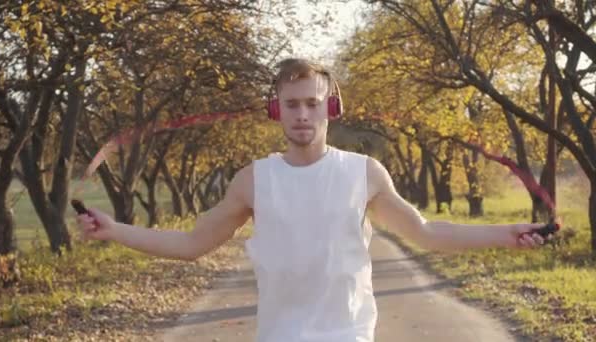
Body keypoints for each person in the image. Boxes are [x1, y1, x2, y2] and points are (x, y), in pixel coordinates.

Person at [76, 58, 549, 342]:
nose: (303, 114)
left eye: (313, 103)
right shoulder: (253, 180)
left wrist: (508, 234)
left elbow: (423, 232)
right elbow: (191, 244)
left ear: (331, 108)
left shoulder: (362, 172)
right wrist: (114, 229)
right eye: (293, 104)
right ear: (276, 109)